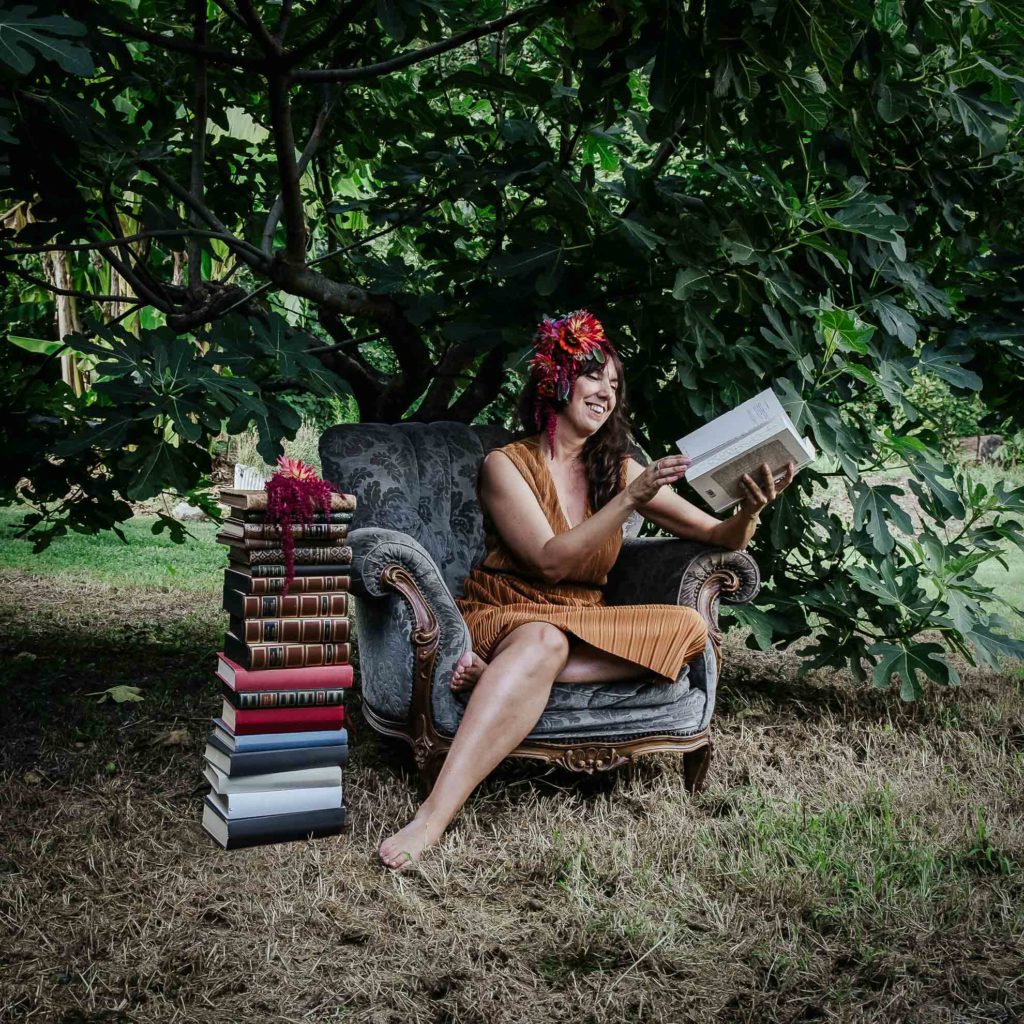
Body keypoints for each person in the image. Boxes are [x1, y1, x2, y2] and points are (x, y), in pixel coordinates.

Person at [378, 310, 795, 871]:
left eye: (614, 385)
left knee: (689, 630)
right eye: (594, 376)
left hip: (584, 619)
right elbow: (549, 563)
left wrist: (749, 509)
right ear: (556, 381)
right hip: (508, 610)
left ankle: (503, 677)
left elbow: (720, 537)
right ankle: (433, 815)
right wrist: (631, 499)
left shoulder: (618, 470)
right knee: (543, 642)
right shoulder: (508, 466)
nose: (605, 392)